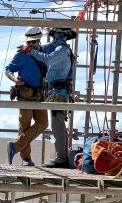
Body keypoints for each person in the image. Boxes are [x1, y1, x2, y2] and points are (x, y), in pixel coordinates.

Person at [5, 27, 48, 166]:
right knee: (25, 124)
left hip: (40, 93)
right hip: (25, 93)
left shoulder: (44, 53)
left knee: (43, 123)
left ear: (39, 41)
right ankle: (26, 157)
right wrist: (15, 80)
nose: (31, 44)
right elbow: (8, 70)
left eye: (34, 42)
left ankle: (15, 146)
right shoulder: (21, 55)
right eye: (29, 42)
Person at [40, 27, 77, 168]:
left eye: (56, 34)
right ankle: (62, 157)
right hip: (58, 92)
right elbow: (46, 48)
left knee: (58, 126)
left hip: (59, 93)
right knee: (58, 126)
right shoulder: (60, 49)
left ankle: (61, 159)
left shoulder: (61, 50)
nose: (55, 37)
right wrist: (36, 47)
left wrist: (31, 51)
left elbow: (48, 59)